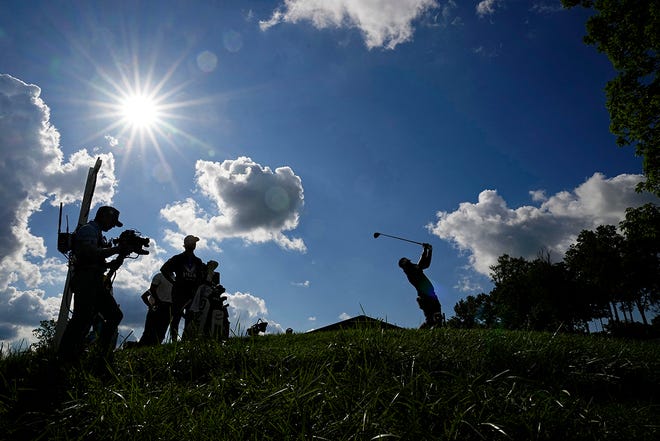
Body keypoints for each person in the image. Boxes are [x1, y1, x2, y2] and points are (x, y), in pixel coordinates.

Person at [58, 206, 127, 364]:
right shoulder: (88, 230)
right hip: (85, 280)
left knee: (112, 315)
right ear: (103, 216)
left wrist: (117, 259)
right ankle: (65, 357)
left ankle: (100, 354)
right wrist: (117, 249)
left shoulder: (97, 233)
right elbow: (89, 253)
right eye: (112, 222)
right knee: (82, 318)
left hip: (94, 279)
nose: (111, 226)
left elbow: (97, 259)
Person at [160, 235, 205, 341]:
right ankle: (174, 341)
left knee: (190, 317)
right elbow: (164, 269)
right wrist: (174, 281)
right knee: (176, 317)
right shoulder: (178, 258)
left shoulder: (198, 261)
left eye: (194, 242)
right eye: (191, 242)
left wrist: (197, 288)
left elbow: (200, 277)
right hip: (179, 292)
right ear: (185, 245)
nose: (193, 244)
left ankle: (186, 340)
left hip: (193, 293)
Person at [398, 243, 443, 328]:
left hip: (429, 295)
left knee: (434, 318)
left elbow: (425, 264)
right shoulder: (410, 271)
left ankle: (436, 335)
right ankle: (420, 336)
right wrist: (425, 250)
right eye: (403, 261)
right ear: (403, 266)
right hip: (425, 297)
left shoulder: (414, 268)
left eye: (405, 259)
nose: (406, 260)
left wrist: (429, 251)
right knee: (433, 318)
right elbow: (422, 263)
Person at [136, 272, 173, 346]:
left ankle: (149, 347)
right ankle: (140, 347)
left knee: (159, 333)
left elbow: (144, 296)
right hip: (157, 309)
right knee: (151, 332)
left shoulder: (174, 280)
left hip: (166, 309)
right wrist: (151, 306)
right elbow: (144, 296)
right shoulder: (161, 277)